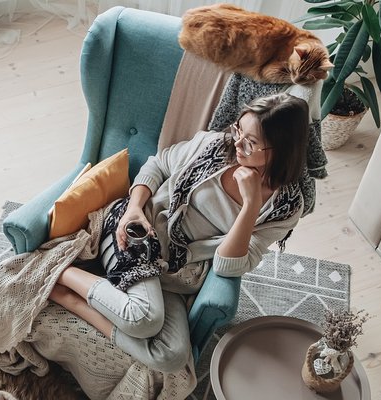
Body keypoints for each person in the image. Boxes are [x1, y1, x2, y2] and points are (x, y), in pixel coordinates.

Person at [47, 93, 311, 372]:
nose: (237, 143)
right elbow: (158, 164)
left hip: (176, 272)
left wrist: (250, 205)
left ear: (281, 149)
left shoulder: (285, 208)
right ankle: (60, 272)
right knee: (145, 320)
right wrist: (134, 207)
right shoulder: (212, 146)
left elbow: (228, 265)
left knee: (171, 356)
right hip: (137, 232)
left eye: (251, 142)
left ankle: (72, 299)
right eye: (238, 129)